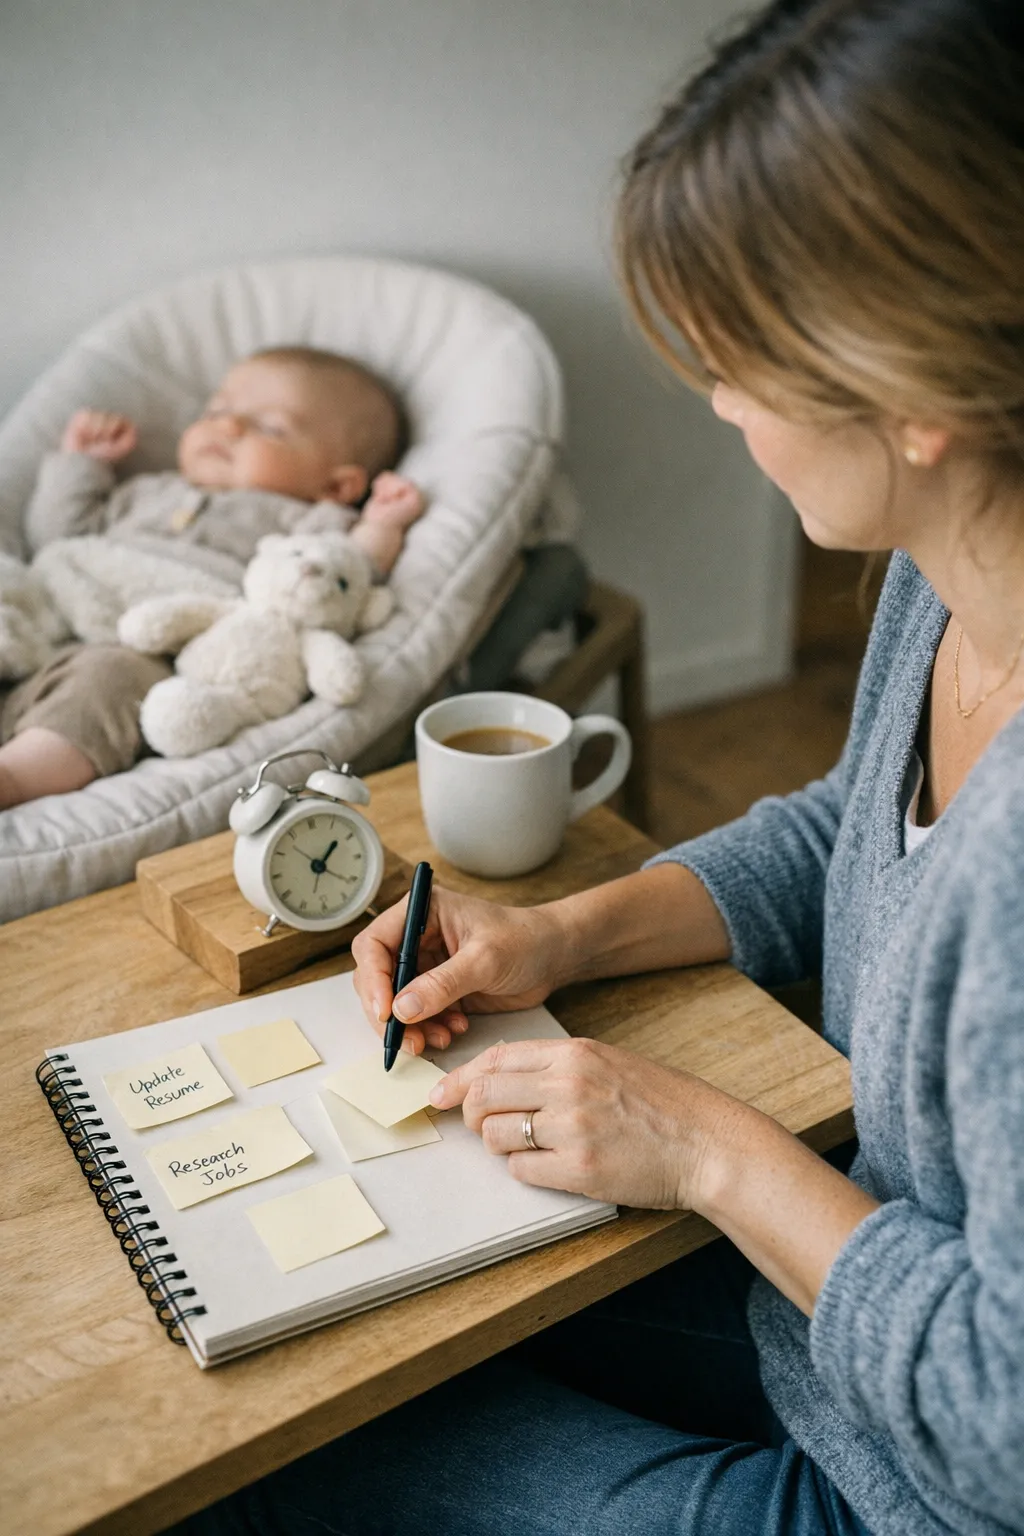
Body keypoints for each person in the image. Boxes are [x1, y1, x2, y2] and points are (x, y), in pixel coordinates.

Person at [166, 0, 1024, 1532]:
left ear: (917, 398)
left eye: (738, 361)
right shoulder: (950, 568)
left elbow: (1003, 1422)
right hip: (822, 1330)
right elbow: (858, 832)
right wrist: (561, 933)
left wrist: (704, 1146)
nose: (716, 403)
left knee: (286, 1464)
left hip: (919, 1491)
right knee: (330, 1348)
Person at [0, 346, 424, 807]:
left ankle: (17, 777)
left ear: (337, 486)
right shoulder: (147, 491)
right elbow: (56, 535)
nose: (227, 426)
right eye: (217, 410)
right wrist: (82, 463)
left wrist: (381, 525)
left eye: (269, 427)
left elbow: (340, 574)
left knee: (111, 680)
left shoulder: (300, 523)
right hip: (46, 619)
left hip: (149, 648)